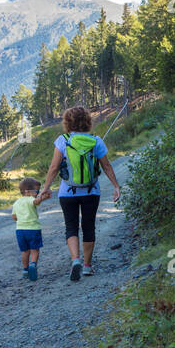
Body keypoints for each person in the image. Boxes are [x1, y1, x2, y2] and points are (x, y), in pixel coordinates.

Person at [39, 105, 121, 282]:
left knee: (71, 226)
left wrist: (46, 188)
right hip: (91, 192)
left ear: (67, 122)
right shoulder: (96, 140)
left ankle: (75, 259)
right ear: (88, 121)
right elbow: (106, 166)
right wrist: (116, 186)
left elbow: (54, 168)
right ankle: (87, 266)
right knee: (89, 226)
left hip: (67, 192)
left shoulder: (63, 140)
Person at [11, 177, 49, 280]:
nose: (37, 193)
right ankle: (33, 265)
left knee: (25, 251)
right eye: (36, 191)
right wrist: (43, 197)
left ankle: (25, 269)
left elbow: (14, 217)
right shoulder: (31, 200)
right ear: (27, 191)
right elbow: (36, 202)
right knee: (35, 250)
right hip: (33, 229)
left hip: (20, 230)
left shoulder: (16, 202)